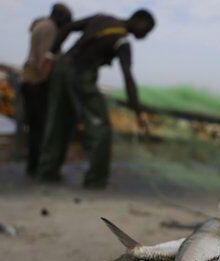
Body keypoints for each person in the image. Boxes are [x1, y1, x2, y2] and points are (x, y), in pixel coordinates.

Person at [37, 9, 155, 188]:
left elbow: (68, 27)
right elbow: (128, 77)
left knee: (58, 122)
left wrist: (51, 55)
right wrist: (138, 112)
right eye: (146, 31)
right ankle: (95, 181)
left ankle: (47, 173)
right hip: (81, 75)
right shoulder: (122, 42)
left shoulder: (103, 18)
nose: (145, 36)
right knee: (100, 129)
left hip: (61, 68)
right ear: (138, 21)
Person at [20, 3, 72, 176]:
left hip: (28, 80)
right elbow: (46, 60)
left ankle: (32, 166)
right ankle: (40, 169)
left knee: (34, 128)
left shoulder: (40, 25)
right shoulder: (50, 29)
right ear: (61, 18)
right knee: (43, 129)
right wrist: (50, 82)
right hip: (37, 83)